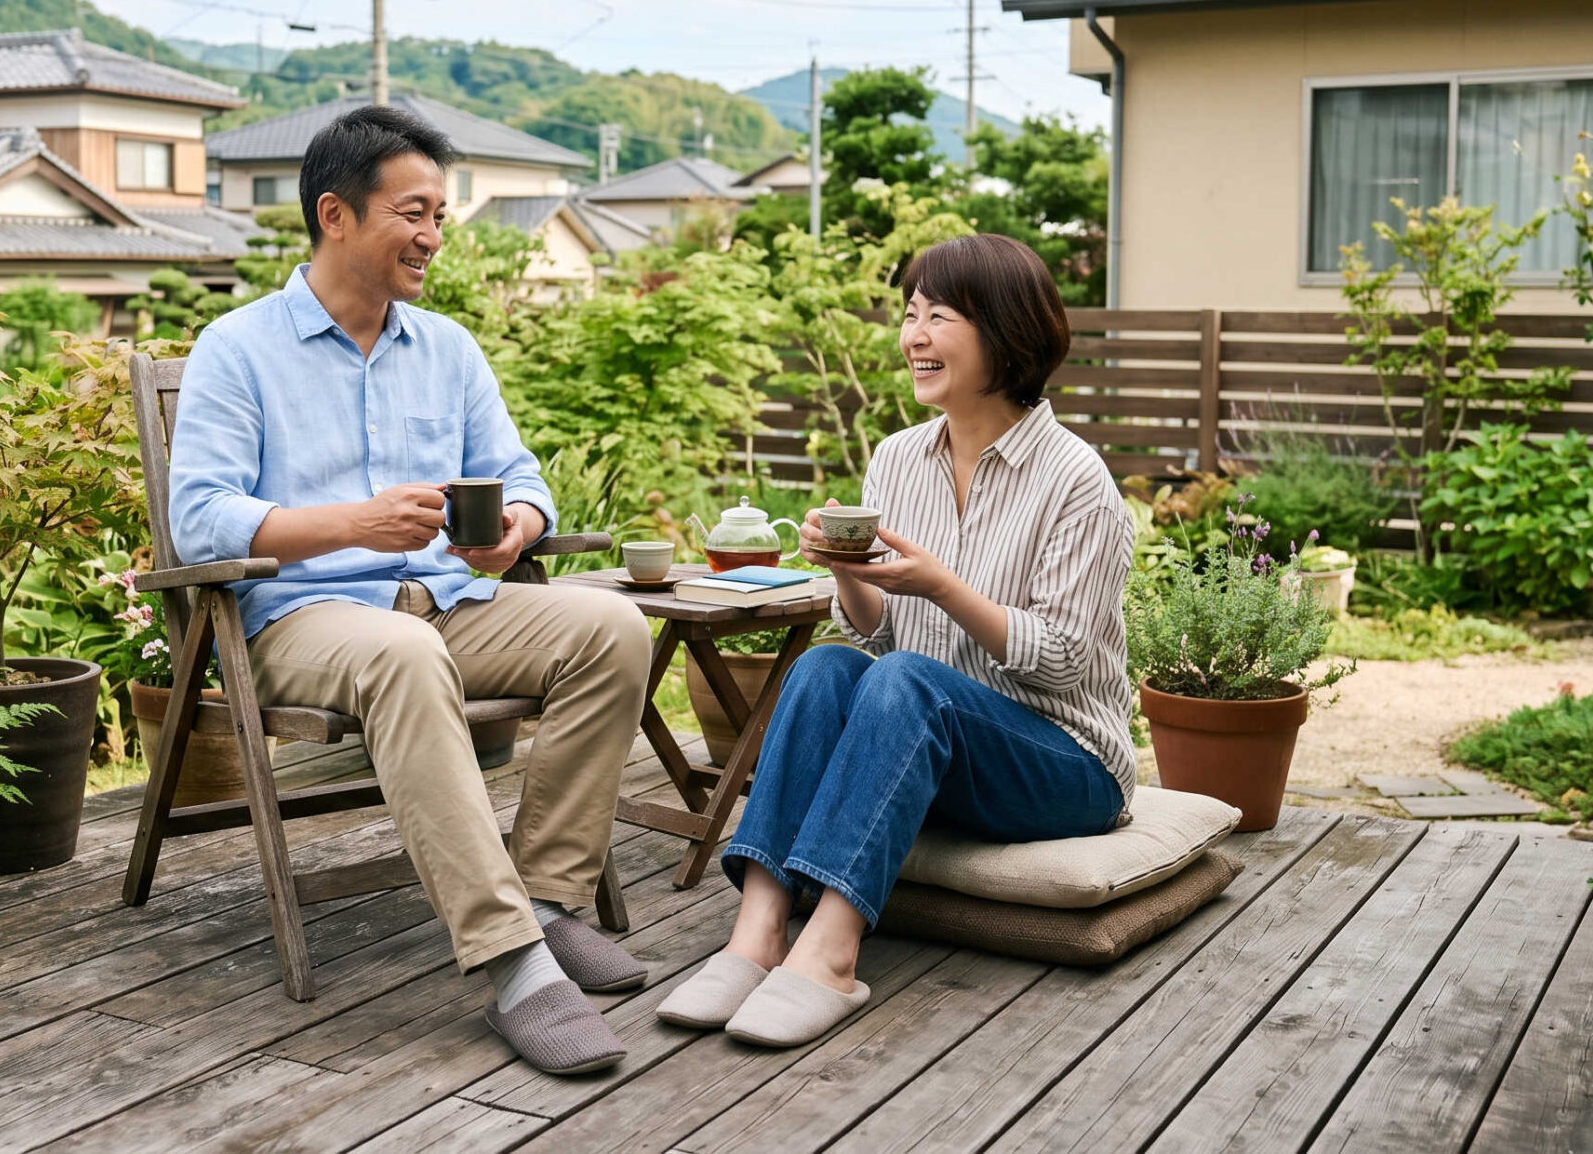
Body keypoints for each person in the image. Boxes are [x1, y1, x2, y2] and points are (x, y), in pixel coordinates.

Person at [168, 105, 653, 1075]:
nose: (433, 236)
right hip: (304, 617)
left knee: (610, 625)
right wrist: (353, 522)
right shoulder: (238, 346)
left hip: (446, 600)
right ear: (336, 215)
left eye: (441, 214)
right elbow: (201, 520)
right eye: (413, 212)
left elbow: (518, 473)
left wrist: (520, 524)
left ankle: (550, 899)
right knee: (402, 652)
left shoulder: (447, 348)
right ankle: (511, 958)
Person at [656, 232, 1136, 1047]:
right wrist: (849, 571)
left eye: (938, 315)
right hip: (931, 736)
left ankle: (834, 949)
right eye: (909, 313)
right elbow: (873, 632)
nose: (913, 334)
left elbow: (1064, 661)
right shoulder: (897, 458)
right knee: (827, 666)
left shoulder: (1077, 479)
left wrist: (942, 585)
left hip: (1063, 758)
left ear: (1007, 330)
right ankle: (758, 931)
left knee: (906, 680)